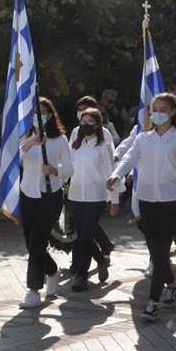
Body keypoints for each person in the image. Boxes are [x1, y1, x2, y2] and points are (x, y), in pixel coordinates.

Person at [108, 93, 176, 322]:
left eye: (163, 110)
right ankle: (172, 285)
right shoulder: (142, 138)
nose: (158, 114)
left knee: (161, 251)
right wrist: (116, 175)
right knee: (155, 251)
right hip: (146, 199)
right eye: (154, 110)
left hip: (172, 200)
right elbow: (128, 159)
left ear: (173, 112)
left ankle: (152, 303)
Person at [18, 98, 73, 309]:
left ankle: (33, 290)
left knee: (37, 240)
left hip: (50, 196)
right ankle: (51, 270)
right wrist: (31, 143)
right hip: (28, 194)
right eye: (35, 112)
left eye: (43, 112)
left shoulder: (60, 140)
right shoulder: (24, 137)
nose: (38, 116)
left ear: (50, 115)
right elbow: (11, 160)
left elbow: (70, 168)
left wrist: (55, 170)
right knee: (30, 242)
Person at [67, 109, 119, 292]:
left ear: (97, 125)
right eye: (83, 121)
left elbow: (111, 173)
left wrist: (114, 200)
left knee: (85, 237)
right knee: (82, 236)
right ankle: (100, 259)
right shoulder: (75, 144)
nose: (86, 125)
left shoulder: (102, 145)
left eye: (90, 122)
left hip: (96, 196)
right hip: (75, 195)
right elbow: (67, 167)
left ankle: (81, 276)